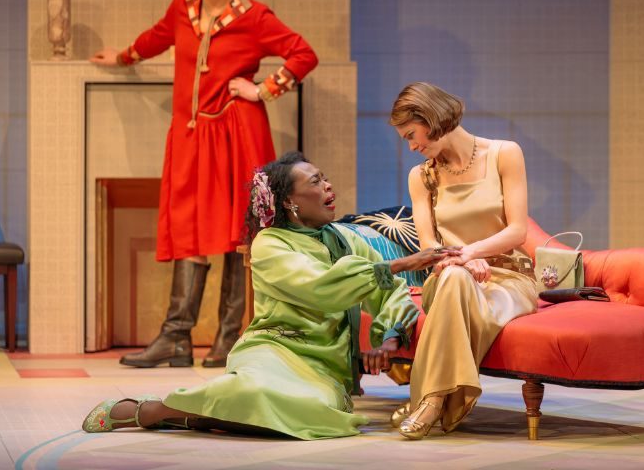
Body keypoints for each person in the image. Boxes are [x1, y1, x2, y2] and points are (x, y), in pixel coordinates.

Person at [82, 152, 455, 439]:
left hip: (325, 365)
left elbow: (390, 296)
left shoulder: (347, 238)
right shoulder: (270, 245)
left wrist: (389, 338)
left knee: (314, 413)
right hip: (275, 349)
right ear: (291, 202)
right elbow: (320, 288)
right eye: (315, 182)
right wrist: (398, 264)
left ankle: (192, 416)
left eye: (325, 178)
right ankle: (151, 411)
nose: (327, 186)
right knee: (255, 390)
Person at [90, 0, 318, 368]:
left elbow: (303, 53)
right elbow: (156, 37)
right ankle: (175, 337)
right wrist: (122, 57)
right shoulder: (183, 6)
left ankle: (228, 339)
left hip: (237, 132)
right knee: (188, 226)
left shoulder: (254, 16)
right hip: (192, 135)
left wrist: (264, 89)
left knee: (237, 230)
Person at [387, 82, 538, 439]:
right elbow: (429, 247)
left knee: (458, 279)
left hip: (506, 278)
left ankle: (428, 399)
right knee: (454, 280)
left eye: (412, 134)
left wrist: (472, 253)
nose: (412, 147)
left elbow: (518, 231)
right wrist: (461, 262)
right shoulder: (422, 176)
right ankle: (437, 400)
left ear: (431, 117)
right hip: (448, 276)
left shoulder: (505, 153)